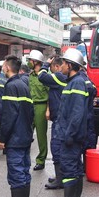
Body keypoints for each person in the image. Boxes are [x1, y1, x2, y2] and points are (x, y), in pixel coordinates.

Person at [54, 48, 92, 197]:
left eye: (63, 63)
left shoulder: (76, 83)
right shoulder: (73, 82)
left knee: (69, 166)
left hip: (71, 135)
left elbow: (77, 113)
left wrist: (69, 134)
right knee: (76, 166)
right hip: (72, 134)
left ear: (70, 66)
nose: (60, 66)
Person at [0, 55, 34, 197]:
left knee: (16, 172)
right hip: (24, 136)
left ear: (8, 67)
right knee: (24, 170)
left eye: (4, 65)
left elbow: (8, 115)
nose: (2, 68)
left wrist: (3, 138)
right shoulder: (23, 85)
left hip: (16, 139)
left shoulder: (11, 86)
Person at [38, 56, 67, 189]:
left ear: (56, 67)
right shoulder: (62, 79)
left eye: (52, 68)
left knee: (56, 147)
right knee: (58, 148)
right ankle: (60, 177)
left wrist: (45, 64)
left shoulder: (59, 77)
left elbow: (42, 76)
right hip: (59, 118)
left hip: (60, 120)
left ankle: (60, 180)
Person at [28, 50, 49, 171]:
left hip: (41, 106)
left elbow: (50, 93)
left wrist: (48, 110)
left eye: (30, 60)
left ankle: (41, 160)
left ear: (36, 62)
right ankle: (25, 157)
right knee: (26, 133)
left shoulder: (44, 76)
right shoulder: (30, 75)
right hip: (30, 106)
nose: (29, 62)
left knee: (41, 136)